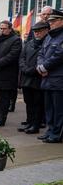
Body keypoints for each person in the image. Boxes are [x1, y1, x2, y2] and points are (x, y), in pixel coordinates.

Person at [18, 21, 50, 134]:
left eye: (39, 31)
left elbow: (45, 59)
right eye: (35, 31)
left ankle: (35, 125)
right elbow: (21, 58)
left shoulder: (47, 43)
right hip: (27, 78)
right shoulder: (29, 43)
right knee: (28, 102)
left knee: (38, 103)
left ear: (46, 31)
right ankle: (29, 122)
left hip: (38, 78)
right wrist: (25, 69)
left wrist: (33, 70)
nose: (37, 33)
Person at [37, 9, 63, 143]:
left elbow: (59, 55)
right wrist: (40, 66)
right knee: (49, 108)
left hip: (58, 79)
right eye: (50, 21)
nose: (50, 23)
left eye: (53, 21)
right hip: (46, 78)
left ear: (61, 21)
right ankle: (50, 129)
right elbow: (41, 53)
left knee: (58, 109)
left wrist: (44, 66)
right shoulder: (49, 36)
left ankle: (57, 133)